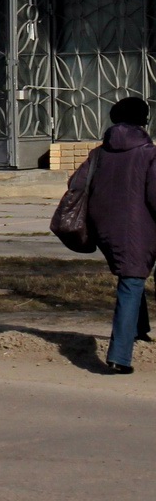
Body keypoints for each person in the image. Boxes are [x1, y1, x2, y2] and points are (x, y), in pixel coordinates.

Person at [84, 96, 156, 373]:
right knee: (132, 280)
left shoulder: (99, 153)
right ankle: (120, 357)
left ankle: (140, 329)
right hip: (138, 228)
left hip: (105, 227)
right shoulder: (149, 153)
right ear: (143, 120)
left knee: (132, 272)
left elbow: (77, 184)